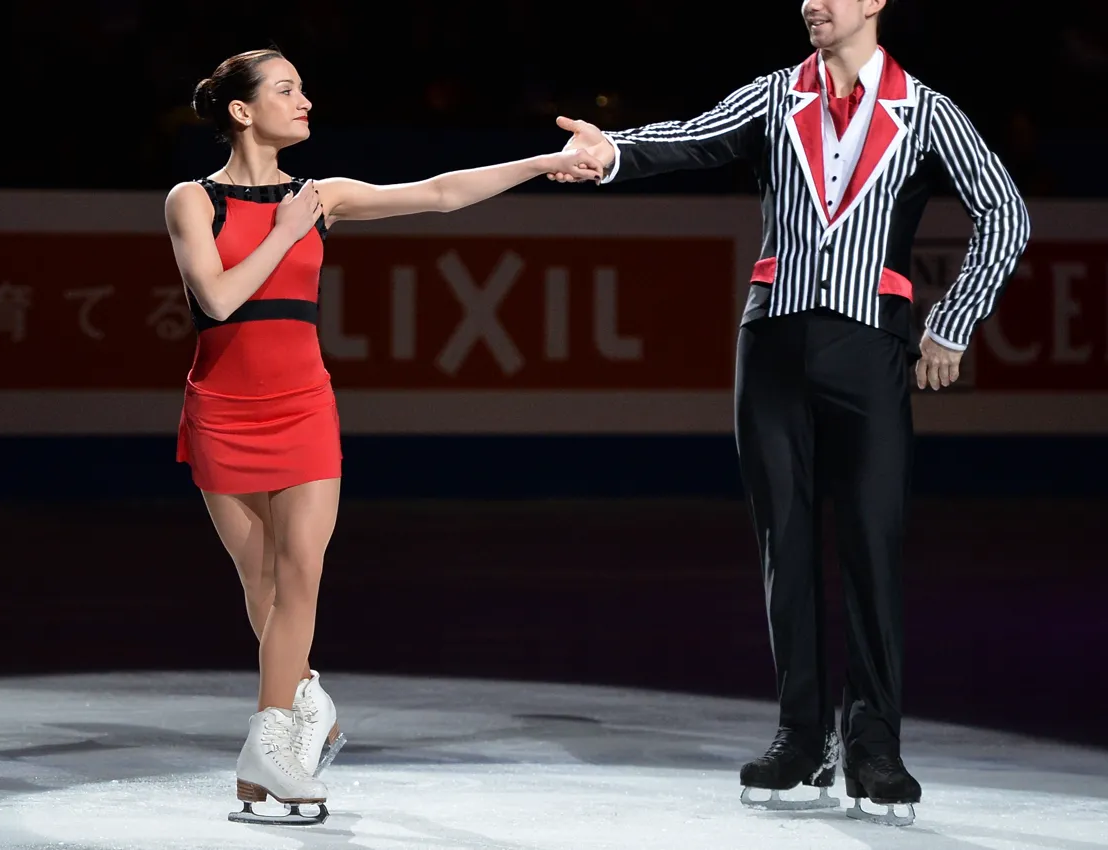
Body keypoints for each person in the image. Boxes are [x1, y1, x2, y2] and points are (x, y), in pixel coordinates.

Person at [549, 0, 1030, 826]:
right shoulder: (778, 94)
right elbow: (695, 135)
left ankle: (874, 743)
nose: (814, 2)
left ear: (875, 2)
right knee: (787, 545)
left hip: (869, 347)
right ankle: (800, 737)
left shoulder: (927, 111)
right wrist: (613, 152)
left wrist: (950, 323)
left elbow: (1006, 213)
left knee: (872, 543)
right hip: (770, 340)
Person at [166, 48, 605, 826]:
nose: (305, 102)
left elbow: (439, 194)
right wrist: (287, 228)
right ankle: (305, 716)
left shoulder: (322, 194)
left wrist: (544, 159)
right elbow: (219, 297)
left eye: (303, 88)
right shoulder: (193, 202)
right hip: (223, 407)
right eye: (286, 90)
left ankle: (267, 746)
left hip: (304, 403)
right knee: (262, 586)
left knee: (301, 573)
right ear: (241, 111)